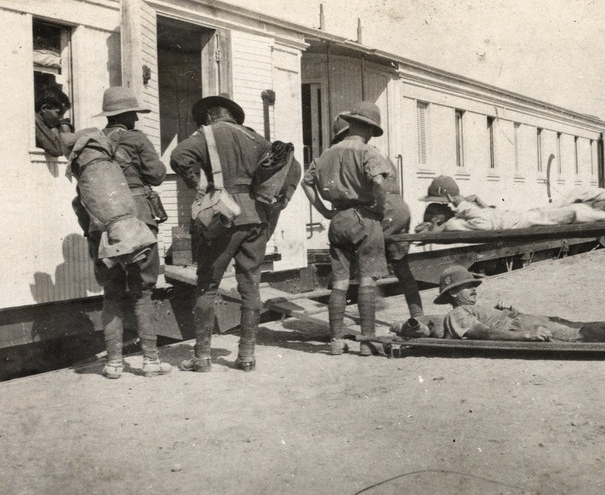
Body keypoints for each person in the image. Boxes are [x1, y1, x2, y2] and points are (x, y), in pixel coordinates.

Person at [171, 94, 281, 372]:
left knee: (207, 284)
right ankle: (246, 356)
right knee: (250, 285)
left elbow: (179, 156)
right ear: (231, 115)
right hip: (255, 215)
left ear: (209, 116)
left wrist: (197, 186)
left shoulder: (208, 133)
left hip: (223, 216)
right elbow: (287, 170)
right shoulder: (257, 139)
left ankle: (202, 357)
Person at [305, 115, 425, 320]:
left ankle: (369, 305)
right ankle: (417, 315)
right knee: (399, 265)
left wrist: (329, 210)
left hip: (380, 209)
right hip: (397, 208)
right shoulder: (373, 154)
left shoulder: (341, 154)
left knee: (362, 262)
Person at [88, 87, 169, 379]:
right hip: (137, 221)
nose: (136, 117)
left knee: (110, 294)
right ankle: (150, 361)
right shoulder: (135, 139)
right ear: (126, 115)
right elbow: (157, 175)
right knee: (142, 291)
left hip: (102, 224)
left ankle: (112, 364)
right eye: (134, 112)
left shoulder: (92, 143)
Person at [301, 101, 392, 356]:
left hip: (338, 220)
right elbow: (378, 183)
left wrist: (323, 211)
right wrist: (378, 207)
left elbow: (306, 182)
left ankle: (336, 342)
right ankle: (366, 342)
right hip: (365, 218)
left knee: (339, 283)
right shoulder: (368, 153)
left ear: (350, 123)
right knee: (366, 281)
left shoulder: (326, 154)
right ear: (371, 130)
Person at [391, 265, 605, 343]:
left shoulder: (466, 308)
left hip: (523, 321)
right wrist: (524, 335)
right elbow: (484, 334)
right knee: (586, 334)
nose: (473, 290)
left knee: (587, 329)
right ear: (453, 294)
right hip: (524, 328)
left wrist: (506, 310)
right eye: (467, 287)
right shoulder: (458, 314)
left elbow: (491, 323)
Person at [413, 176, 605, 233]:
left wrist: (480, 203)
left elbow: (486, 217)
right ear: (437, 218)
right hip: (525, 220)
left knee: (578, 192)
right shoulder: (453, 225)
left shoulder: (456, 218)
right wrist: (466, 206)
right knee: (576, 210)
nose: (448, 209)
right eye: (443, 208)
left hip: (522, 213)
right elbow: (486, 223)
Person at [34, 84, 74, 157]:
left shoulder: (47, 121)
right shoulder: (35, 120)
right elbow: (57, 150)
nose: (61, 118)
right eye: (59, 113)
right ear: (44, 108)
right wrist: (54, 127)